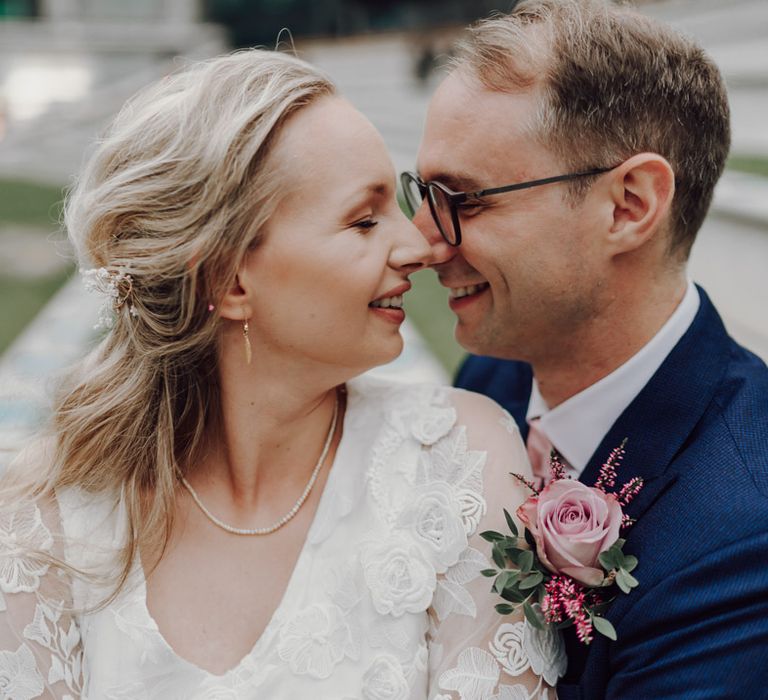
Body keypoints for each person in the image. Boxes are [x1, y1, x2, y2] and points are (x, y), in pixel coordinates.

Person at [0, 50, 564, 698]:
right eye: (364, 221)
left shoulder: (462, 463)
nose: (416, 249)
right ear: (229, 278)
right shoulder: (48, 511)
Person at [405, 0, 768, 697]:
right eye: (423, 193)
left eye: (465, 199)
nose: (423, 241)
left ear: (630, 205)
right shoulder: (493, 379)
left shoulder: (744, 544)